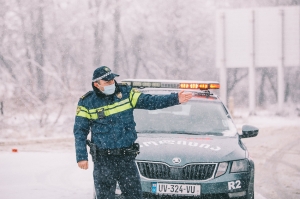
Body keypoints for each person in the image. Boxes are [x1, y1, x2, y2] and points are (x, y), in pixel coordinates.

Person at [73, 66, 192, 199]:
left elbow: (150, 101)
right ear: (97, 84)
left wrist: (175, 99)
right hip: (103, 161)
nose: (112, 84)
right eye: (107, 82)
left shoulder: (126, 94)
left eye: (112, 81)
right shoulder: (87, 102)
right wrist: (81, 156)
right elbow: (80, 131)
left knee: (134, 196)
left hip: (126, 159)